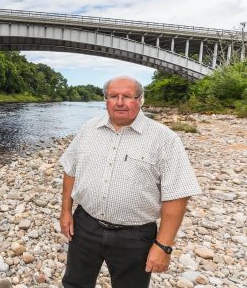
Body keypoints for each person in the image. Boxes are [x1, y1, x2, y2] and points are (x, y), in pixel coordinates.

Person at [59, 76, 202, 288]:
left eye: (127, 96)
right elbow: (70, 169)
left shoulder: (164, 139)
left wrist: (163, 246)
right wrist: (66, 211)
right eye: (113, 96)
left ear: (140, 100)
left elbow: (177, 194)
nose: (119, 102)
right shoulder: (88, 129)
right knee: (74, 283)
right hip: (85, 226)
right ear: (105, 99)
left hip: (135, 236)